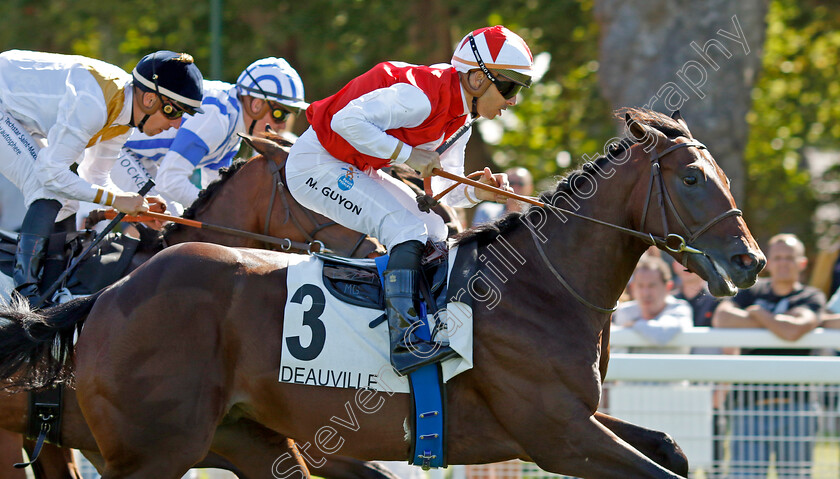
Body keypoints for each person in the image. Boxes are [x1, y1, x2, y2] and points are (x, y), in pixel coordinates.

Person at [285, 25, 532, 374]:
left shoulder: (463, 119)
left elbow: (445, 189)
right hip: (315, 163)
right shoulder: (421, 97)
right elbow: (345, 121)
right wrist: (409, 155)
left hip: (348, 163)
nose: (512, 100)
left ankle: (432, 323)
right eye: (508, 86)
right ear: (476, 79)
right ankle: (404, 343)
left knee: (434, 227)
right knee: (406, 229)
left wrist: (478, 192)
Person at [0, 49, 203, 301]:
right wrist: (117, 201)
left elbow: (95, 177)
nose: (176, 124)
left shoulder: (122, 118)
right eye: (174, 111)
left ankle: (39, 284)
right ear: (150, 99)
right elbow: (51, 173)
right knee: (48, 187)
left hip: (13, 109)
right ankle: (26, 294)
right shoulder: (94, 104)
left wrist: (132, 202)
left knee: (67, 199)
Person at [109, 57, 307, 214]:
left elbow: (214, 189)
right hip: (117, 148)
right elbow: (169, 181)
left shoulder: (232, 130)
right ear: (256, 105)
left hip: (137, 156)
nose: (282, 125)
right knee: (168, 215)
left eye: (290, 115)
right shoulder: (217, 119)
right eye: (280, 113)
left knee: (172, 215)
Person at [712, 233, 824, 479]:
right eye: (778, 258)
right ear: (768, 262)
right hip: (749, 404)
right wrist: (777, 323)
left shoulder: (810, 296)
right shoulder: (750, 291)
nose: (784, 263)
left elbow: (793, 331)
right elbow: (723, 318)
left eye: (790, 258)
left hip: (798, 407)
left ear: (802, 263)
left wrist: (758, 315)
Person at [612, 255, 693, 354]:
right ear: (632, 288)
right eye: (640, 286)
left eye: (652, 286)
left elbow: (663, 333)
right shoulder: (625, 311)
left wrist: (634, 324)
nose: (646, 293)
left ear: (668, 287)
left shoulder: (680, 308)